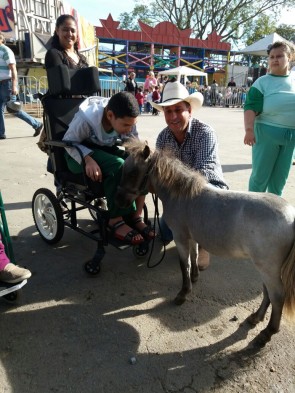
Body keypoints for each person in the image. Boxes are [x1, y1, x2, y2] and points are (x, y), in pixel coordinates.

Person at [152, 81, 228, 270]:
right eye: (168, 111)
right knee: (164, 233)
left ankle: (204, 244)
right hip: (179, 195)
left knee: (200, 215)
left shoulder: (205, 133)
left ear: (190, 111)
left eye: (178, 110)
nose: (173, 116)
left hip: (208, 191)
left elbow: (203, 174)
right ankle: (188, 232)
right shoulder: (163, 137)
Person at [62, 91, 155, 245]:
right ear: (110, 115)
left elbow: (132, 142)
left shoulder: (126, 119)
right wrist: (87, 159)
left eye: (132, 125)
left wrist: (142, 155)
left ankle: (135, 216)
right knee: (118, 165)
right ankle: (115, 220)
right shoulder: (86, 119)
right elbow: (68, 143)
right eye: (126, 125)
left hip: (104, 150)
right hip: (77, 154)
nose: (129, 129)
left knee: (141, 165)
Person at [244, 41, 295, 196]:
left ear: (290, 57)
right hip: (266, 135)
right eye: (271, 57)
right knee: (260, 178)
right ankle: (252, 211)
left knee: (279, 181)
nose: (274, 59)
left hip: (291, 138)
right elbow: (250, 107)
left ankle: (273, 214)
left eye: (279, 56)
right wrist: (249, 130)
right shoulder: (262, 82)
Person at [0, 33, 43, 140]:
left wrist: (14, 86)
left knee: (13, 108)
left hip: (7, 83)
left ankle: (36, 124)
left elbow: (13, 69)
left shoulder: (5, 51)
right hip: (1, 83)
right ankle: (1, 133)